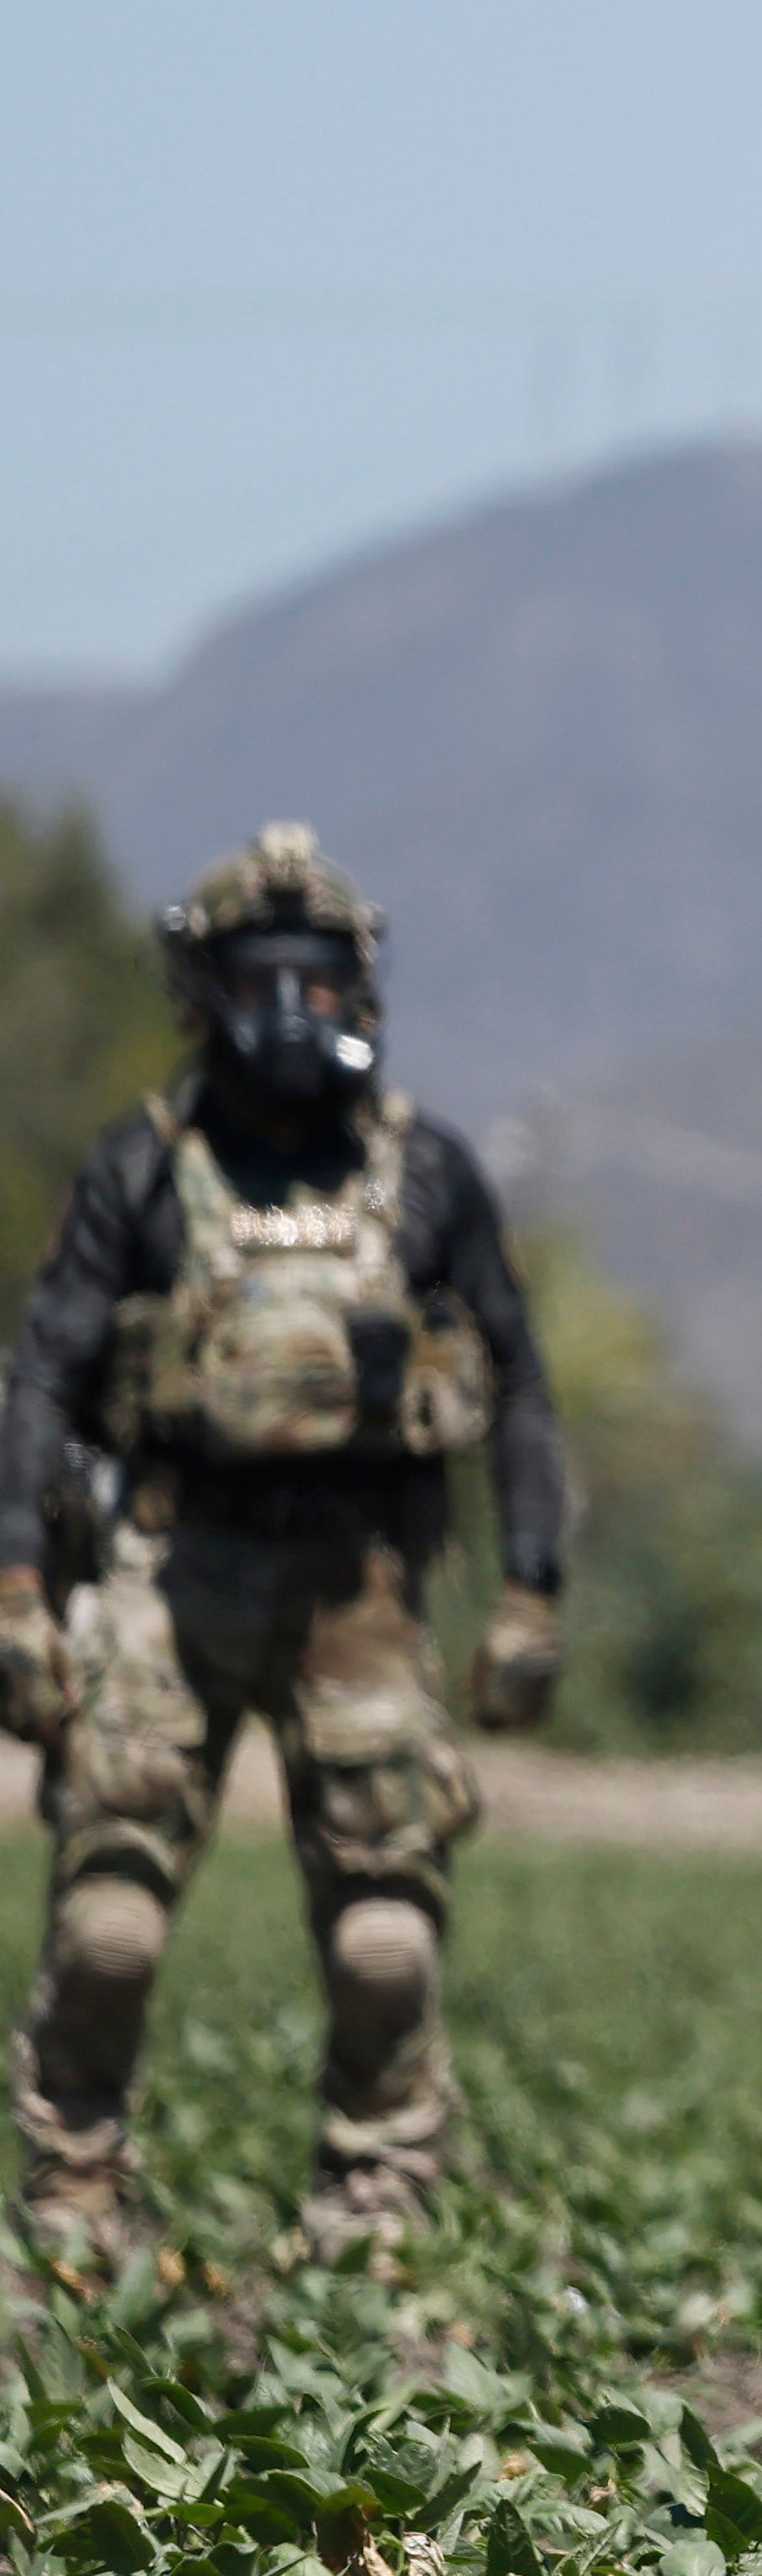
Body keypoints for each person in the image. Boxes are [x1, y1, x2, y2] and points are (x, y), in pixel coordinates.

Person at [0, 823, 568, 2260]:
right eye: (264, 979)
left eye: (318, 981)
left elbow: (519, 1378)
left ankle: (376, 2198)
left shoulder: (429, 1175)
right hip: (168, 1577)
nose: (292, 1012)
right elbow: (45, 1376)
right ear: (206, 991)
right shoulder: (140, 1171)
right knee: (107, 1925)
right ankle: (74, 2190)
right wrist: (15, 1584)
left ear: (358, 990)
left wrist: (529, 1590)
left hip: (358, 1589)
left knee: (387, 1935)